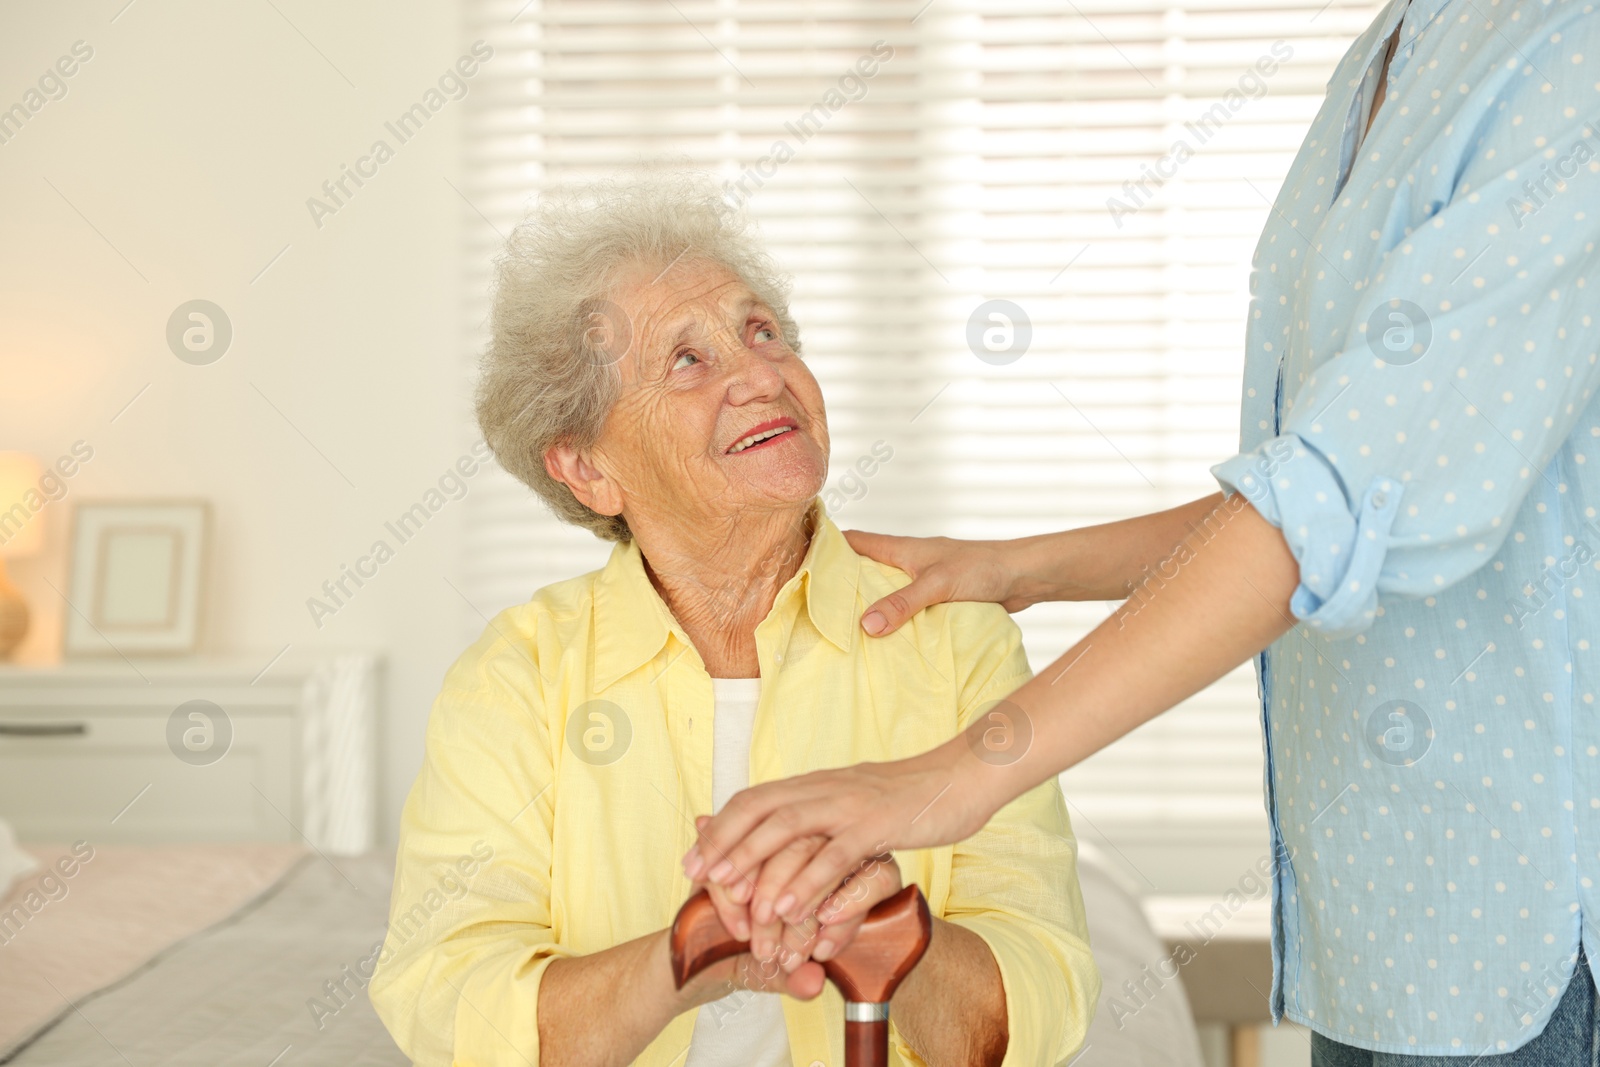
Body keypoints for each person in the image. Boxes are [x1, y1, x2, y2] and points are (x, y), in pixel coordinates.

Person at [686, 0, 1600, 1061]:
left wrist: (946, 776)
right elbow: (1349, 487)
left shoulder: (1564, 49)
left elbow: (1336, 500)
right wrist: (1020, 569)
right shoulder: (1390, 51)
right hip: (1391, 936)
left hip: (1521, 933)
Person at [366, 175, 1099, 1067]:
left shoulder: (951, 638)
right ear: (588, 468)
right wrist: (689, 955)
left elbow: (1040, 1008)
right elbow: (450, 1006)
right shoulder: (518, 674)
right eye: (687, 359)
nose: (762, 375)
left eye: (764, 332)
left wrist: (891, 929)